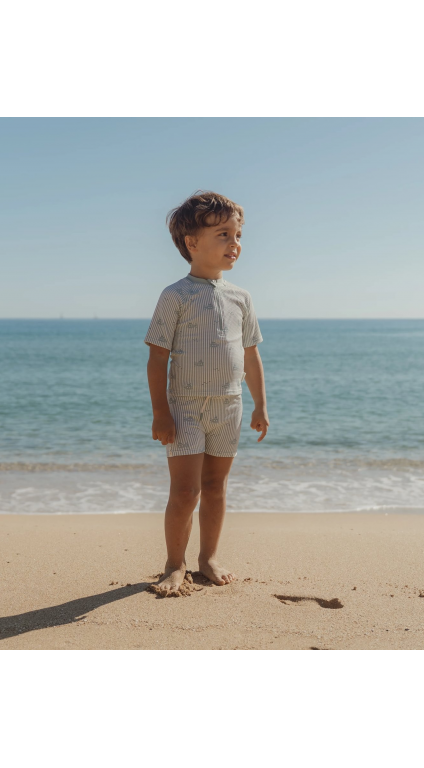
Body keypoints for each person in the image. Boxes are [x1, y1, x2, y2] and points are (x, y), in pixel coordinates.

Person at [144, 191, 269, 597]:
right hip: (185, 408)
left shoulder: (241, 297)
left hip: (229, 406)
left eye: (238, 235)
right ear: (192, 243)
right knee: (185, 491)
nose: (234, 243)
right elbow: (157, 358)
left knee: (216, 487)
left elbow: (250, 355)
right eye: (223, 234)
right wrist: (161, 413)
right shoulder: (175, 295)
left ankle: (208, 558)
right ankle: (174, 564)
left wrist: (260, 405)